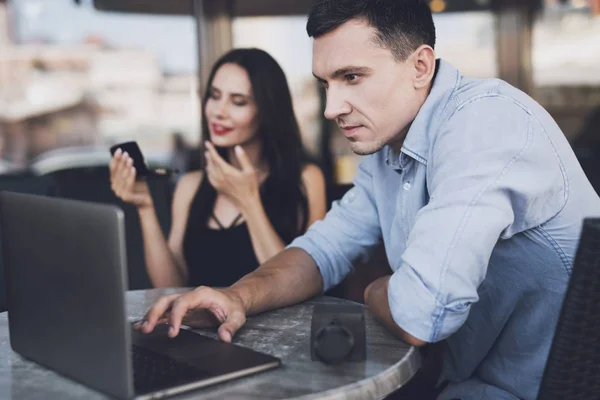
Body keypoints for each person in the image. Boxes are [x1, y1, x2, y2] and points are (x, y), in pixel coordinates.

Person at [134, 1, 600, 399]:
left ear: (420, 66)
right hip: (458, 382)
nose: (330, 108)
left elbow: (422, 314)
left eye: (351, 77)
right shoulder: (388, 149)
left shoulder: (484, 123)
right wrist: (236, 296)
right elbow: (324, 249)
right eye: (326, 83)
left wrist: (377, 289)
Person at [109, 48, 326, 288]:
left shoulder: (306, 180)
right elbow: (170, 287)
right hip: (199, 326)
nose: (218, 111)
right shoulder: (190, 186)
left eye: (238, 101)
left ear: (267, 110)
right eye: (214, 96)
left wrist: (248, 202)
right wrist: (145, 207)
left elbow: (296, 284)